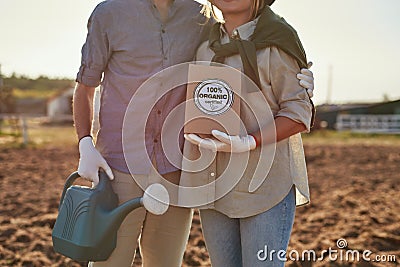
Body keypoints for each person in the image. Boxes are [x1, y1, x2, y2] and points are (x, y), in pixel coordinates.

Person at [72, 0, 315, 266]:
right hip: (131, 169)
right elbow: (85, 87)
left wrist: (299, 79)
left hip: (192, 172)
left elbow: (291, 99)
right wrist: (85, 142)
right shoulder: (114, 15)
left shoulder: (206, 20)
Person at [182, 0, 313, 266]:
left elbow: (299, 111)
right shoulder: (204, 46)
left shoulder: (278, 40)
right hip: (215, 184)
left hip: (264, 186)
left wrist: (250, 141)